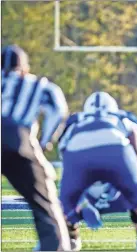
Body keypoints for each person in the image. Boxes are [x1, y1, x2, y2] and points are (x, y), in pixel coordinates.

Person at [58, 92, 137, 251]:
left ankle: (68, 238)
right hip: (116, 149)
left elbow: (64, 153)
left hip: (78, 152)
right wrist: (124, 183)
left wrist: (80, 198)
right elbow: (136, 157)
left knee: (63, 205)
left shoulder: (76, 120)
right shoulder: (122, 117)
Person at [1, 45, 71, 250]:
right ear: (24, 68)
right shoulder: (37, 84)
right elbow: (58, 111)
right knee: (45, 206)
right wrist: (45, 141)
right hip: (15, 139)